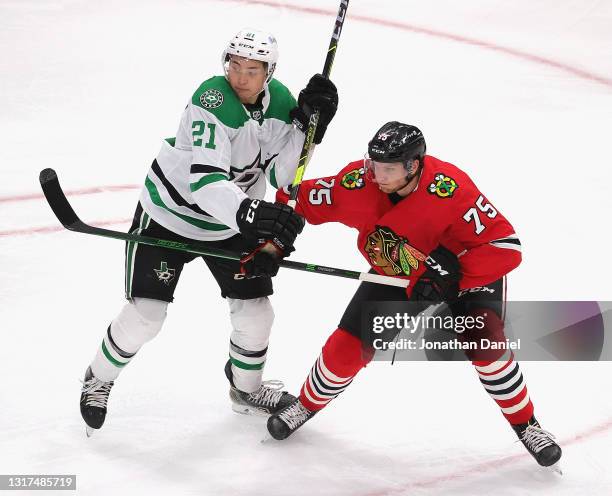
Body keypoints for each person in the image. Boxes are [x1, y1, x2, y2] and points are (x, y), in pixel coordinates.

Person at [79, 27, 338, 435]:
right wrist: (251, 213)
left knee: (256, 314)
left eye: (252, 69)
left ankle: (246, 389)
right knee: (146, 315)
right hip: (171, 216)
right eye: (234, 65)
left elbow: (283, 175)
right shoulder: (212, 100)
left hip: (229, 223)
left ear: (268, 72)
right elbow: (206, 182)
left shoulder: (282, 102)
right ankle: (99, 378)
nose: (240, 77)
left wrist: (309, 131)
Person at [267, 121, 562, 469]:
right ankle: (305, 404)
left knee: (487, 347)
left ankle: (527, 425)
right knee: (345, 348)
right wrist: (273, 239)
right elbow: (294, 197)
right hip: (399, 271)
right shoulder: (357, 184)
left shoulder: (451, 189)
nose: (378, 176)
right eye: (375, 165)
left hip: (466, 275)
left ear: (414, 165)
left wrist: (453, 273)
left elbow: (506, 247)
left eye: (389, 169)